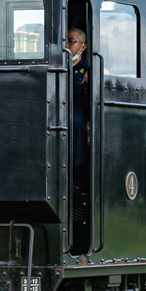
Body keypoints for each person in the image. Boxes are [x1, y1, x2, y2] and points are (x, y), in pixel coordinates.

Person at [68, 28, 91, 251]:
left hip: (76, 111)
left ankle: (79, 174)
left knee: (76, 122)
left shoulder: (86, 69)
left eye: (71, 41)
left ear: (82, 47)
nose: (66, 44)